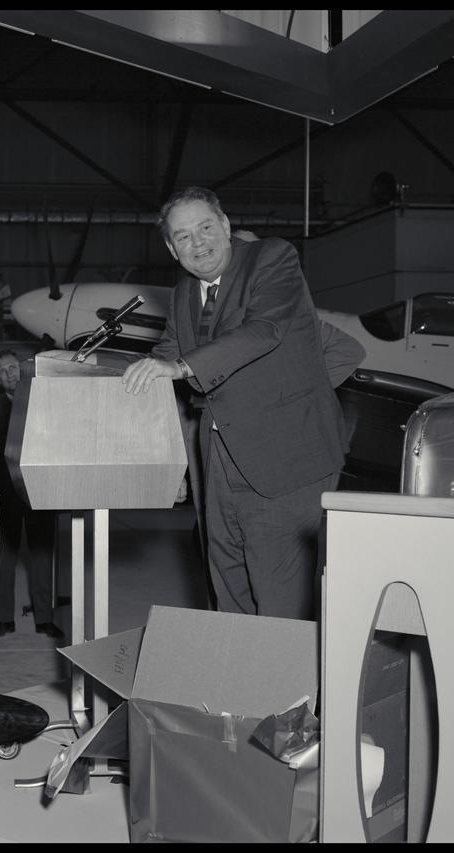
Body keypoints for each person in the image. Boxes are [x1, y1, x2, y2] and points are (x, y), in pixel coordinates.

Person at [122, 186, 359, 621]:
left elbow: (264, 330)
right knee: (227, 579)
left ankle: (290, 691)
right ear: (172, 250)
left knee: (279, 597)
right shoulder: (182, 294)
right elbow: (165, 356)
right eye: (184, 237)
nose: (199, 243)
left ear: (226, 226)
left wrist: (285, 397)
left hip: (287, 458)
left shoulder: (271, 259)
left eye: (206, 227)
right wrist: (104, 370)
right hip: (221, 461)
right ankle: (241, 685)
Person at [0, 350, 61, 639]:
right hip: (6, 491)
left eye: (13, 367)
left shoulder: (44, 403)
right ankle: (4, 619)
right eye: (3, 371)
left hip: (40, 490)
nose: (10, 373)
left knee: (42, 556)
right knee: (4, 560)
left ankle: (45, 619)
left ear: (23, 369)